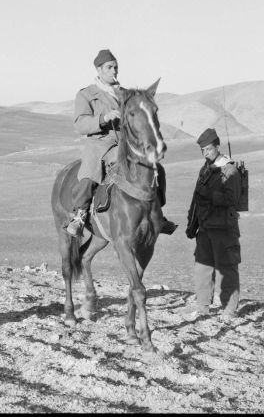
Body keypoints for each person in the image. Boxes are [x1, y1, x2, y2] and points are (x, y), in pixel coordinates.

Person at [67, 49, 177, 237]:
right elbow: (80, 124)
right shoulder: (86, 94)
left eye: (116, 67)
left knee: (156, 168)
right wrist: (104, 118)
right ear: (99, 69)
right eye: (109, 67)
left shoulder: (125, 93)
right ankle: (80, 215)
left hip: (125, 144)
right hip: (100, 144)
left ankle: (158, 212)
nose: (114, 71)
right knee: (90, 174)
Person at [185, 128, 242, 320]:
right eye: (203, 150)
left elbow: (232, 199)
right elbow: (196, 198)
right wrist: (192, 223)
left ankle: (229, 310)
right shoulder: (205, 170)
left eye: (208, 149)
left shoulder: (229, 170)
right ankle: (202, 307)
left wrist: (209, 195)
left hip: (224, 228)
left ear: (217, 146)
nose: (205, 153)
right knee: (202, 268)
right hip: (205, 227)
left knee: (227, 268)